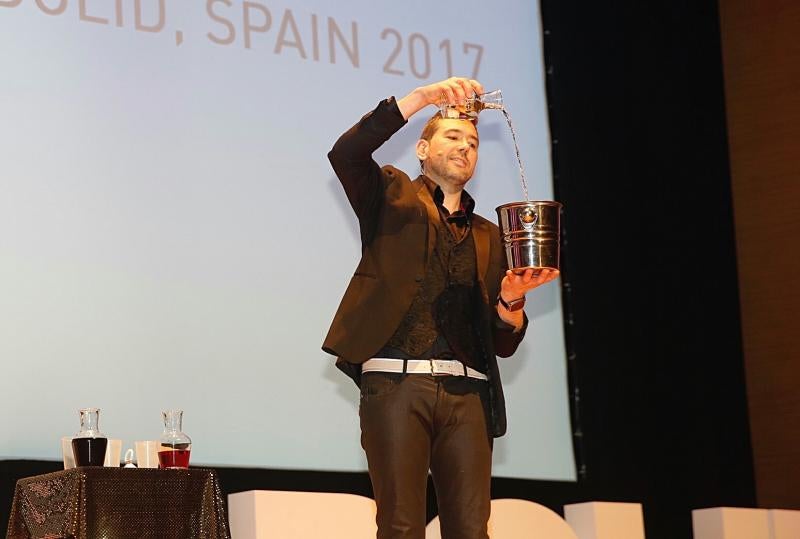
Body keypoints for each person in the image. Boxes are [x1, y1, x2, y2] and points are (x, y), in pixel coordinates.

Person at [322, 77, 559, 539]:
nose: (465, 146)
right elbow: (346, 154)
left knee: (472, 530)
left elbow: (501, 342)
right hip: (395, 382)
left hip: (468, 393)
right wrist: (422, 99)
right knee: (402, 526)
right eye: (452, 136)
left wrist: (511, 301)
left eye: (472, 141)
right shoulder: (389, 196)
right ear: (422, 150)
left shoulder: (492, 236)